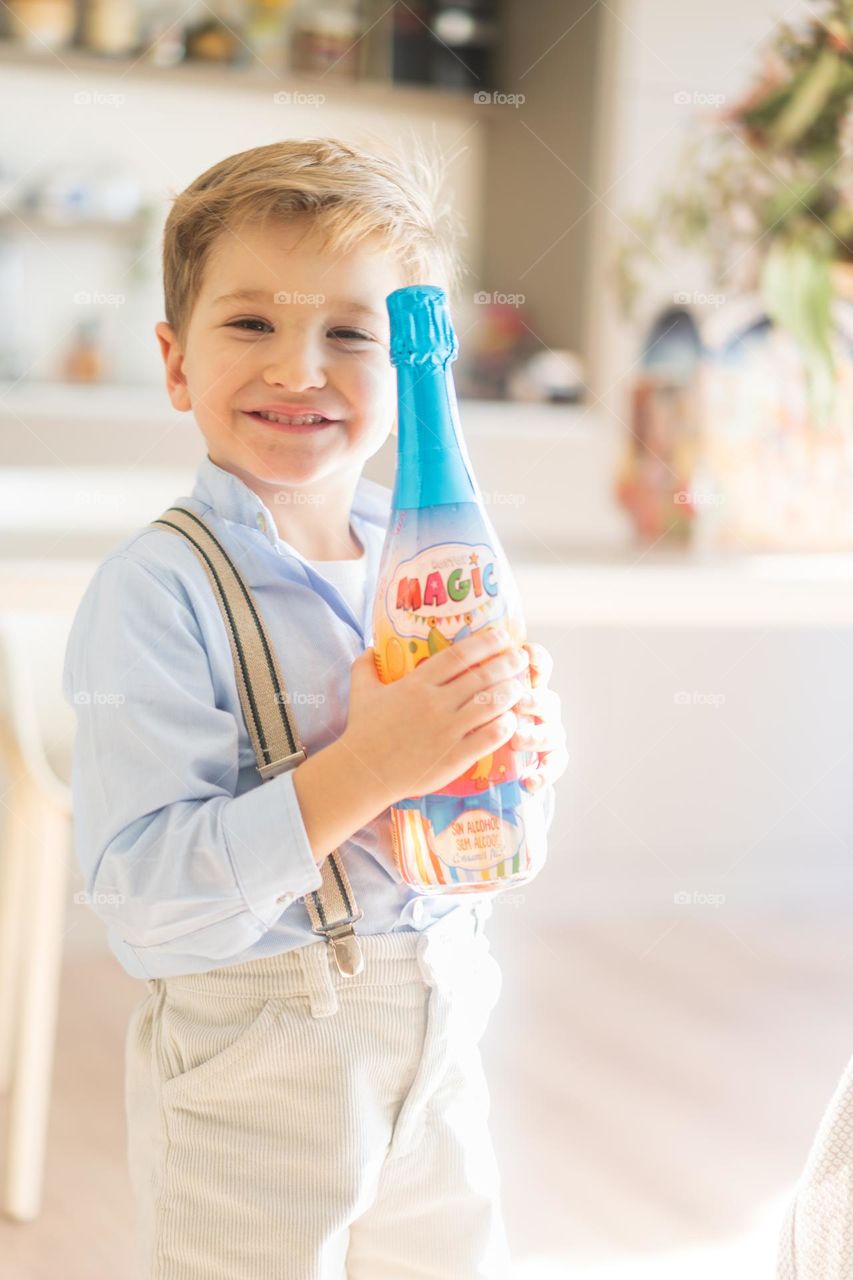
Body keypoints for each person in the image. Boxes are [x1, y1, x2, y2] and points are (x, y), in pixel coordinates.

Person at [62, 136, 568, 1280]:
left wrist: (521, 747)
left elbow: (494, 816)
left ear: (413, 369)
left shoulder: (441, 556)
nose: (300, 368)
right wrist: (370, 765)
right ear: (176, 360)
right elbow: (146, 904)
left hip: (443, 1032)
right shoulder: (158, 589)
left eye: (350, 332)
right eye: (251, 324)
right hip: (260, 1063)